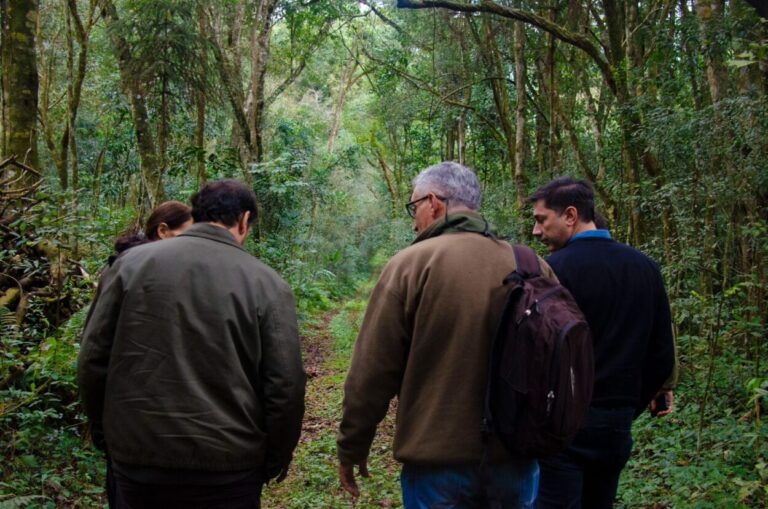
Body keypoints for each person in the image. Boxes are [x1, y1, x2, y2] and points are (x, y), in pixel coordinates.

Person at [337, 161, 557, 508]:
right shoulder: (531, 265)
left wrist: (352, 444)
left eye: (414, 207)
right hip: (515, 458)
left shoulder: (411, 265)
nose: (414, 220)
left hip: (436, 464)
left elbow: (372, 372)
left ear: (434, 202)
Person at [78, 179, 305, 509]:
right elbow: (285, 385)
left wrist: (107, 437)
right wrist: (273, 458)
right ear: (244, 221)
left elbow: (93, 359)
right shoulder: (267, 283)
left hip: (139, 460)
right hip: (229, 468)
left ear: (197, 214)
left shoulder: (129, 265)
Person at [529, 177, 677, 509]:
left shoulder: (551, 271)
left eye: (541, 220)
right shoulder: (646, 267)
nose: (536, 232)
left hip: (562, 424)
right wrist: (627, 406)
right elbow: (661, 354)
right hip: (616, 422)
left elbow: (531, 350)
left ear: (570, 215)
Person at [86, 200, 193, 508]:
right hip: (134, 428)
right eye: (188, 232)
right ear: (163, 231)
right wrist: (103, 428)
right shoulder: (126, 269)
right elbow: (95, 354)